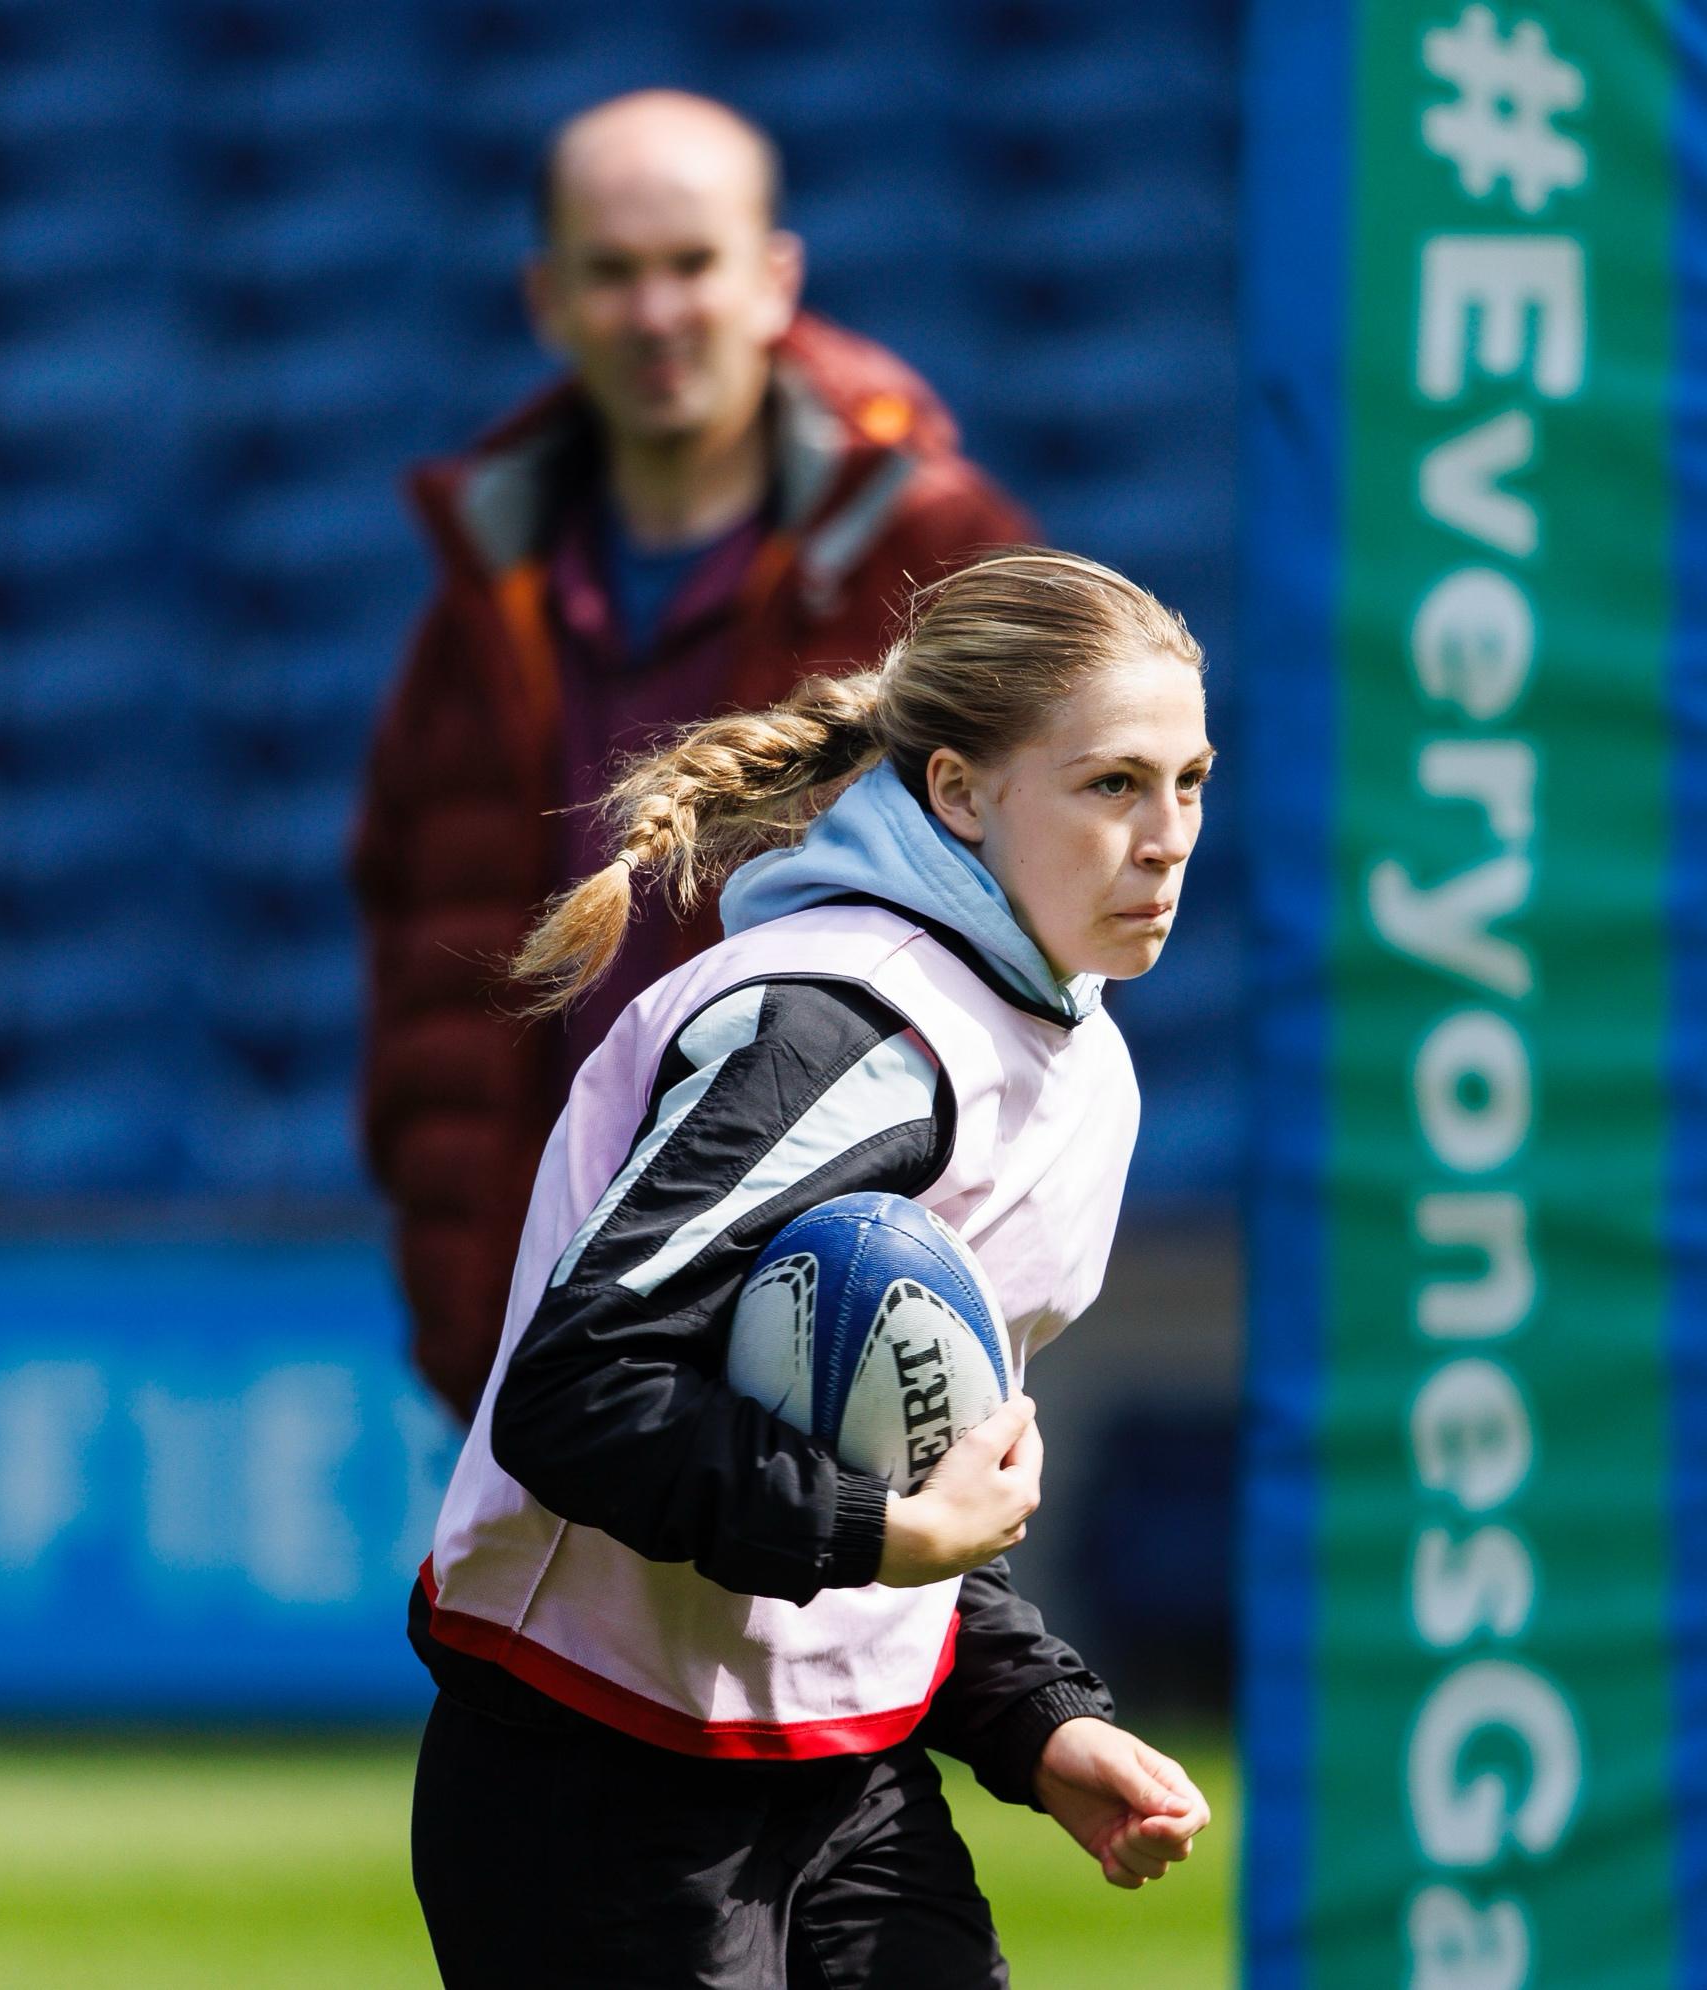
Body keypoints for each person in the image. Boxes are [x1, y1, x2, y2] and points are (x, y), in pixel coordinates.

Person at [405, 550, 1215, 1986]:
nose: (1165, 839)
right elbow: (575, 1390)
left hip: (844, 1775)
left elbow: (900, 1463)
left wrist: (1035, 1716)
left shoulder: (1082, 1062)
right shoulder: (847, 1032)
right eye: (1112, 785)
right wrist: (879, 1534)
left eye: (1191, 783)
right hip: (596, 1780)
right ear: (959, 793)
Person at [353, 90, 1035, 1420]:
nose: (657, 312)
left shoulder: (939, 557)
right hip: (547, 1357)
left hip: (845, 1350)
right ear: (548, 300)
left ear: (775, 279)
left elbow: (1053, 934)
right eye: (613, 272)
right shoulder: (483, 594)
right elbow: (418, 967)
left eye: (692, 264)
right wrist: (464, 1299)